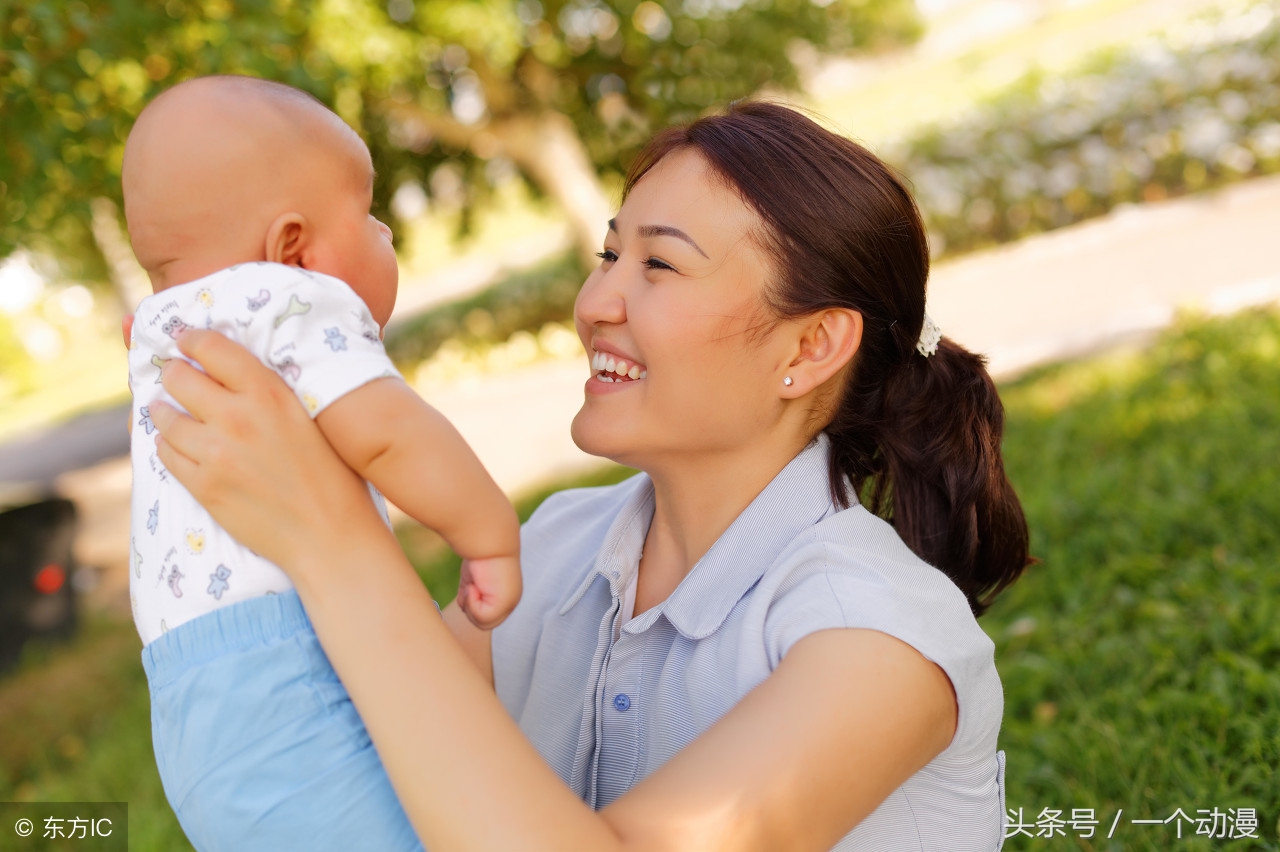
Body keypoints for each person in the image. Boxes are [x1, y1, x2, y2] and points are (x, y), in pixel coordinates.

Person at [145, 100, 1032, 851]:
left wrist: (333, 543)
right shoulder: (559, 549)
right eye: (610, 256)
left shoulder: (880, 635)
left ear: (810, 347)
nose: (596, 303)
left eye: (659, 265)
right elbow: (372, 752)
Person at [123, 76, 520, 850]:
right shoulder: (289, 299)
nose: (386, 229)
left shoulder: (158, 334)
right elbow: (389, 434)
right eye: (368, 212)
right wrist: (489, 534)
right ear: (294, 249)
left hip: (187, 699)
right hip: (288, 672)